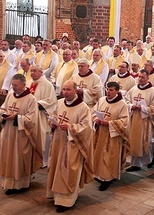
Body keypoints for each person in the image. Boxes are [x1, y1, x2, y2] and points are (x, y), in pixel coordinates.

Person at [47, 80, 94, 213]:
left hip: (72, 145)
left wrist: (70, 127)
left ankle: (66, 200)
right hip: (58, 142)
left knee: (68, 172)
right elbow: (54, 115)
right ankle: (55, 195)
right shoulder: (60, 102)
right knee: (55, 167)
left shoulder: (83, 107)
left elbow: (86, 128)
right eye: (64, 89)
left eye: (68, 90)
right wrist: (52, 123)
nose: (65, 92)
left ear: (75, 90)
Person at [0, 74, 42, 195]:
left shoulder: (31, 99)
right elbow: (2, 109)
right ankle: (9, 184)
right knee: (8, 158)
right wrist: (3, 115)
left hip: (21, 135)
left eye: (16, 85)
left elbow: (32, 120)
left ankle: (22, 184)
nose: (13, 87)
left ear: (23, 85)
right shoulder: (10, 95)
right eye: (12, 85)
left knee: (19, 159)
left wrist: (17, 118)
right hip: (8, 133)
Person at [92, 82, 129, 191]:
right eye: (107, 89)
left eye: (111, 90)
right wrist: (96, 120)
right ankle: (98, 175)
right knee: (98, 154)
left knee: (108, 157)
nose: (108, 92)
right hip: (100, 133)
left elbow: (124, 122)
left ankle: (107, 178)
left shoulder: (122, 104)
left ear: (117, 91)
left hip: (112, 136)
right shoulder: (102, 100)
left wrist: (109, 123)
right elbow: (93, 112)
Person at [125, 69, 154, 171]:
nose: (140, 79)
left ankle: (150, 159)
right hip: (133, 119)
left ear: (148, 78)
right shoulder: (133, 89)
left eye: (143, 77)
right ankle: (136, 164)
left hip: (146, 121)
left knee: (146, 142)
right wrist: (131, 106)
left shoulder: (153, 92)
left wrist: (143, 108)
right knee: (134, 142)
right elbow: (126, 101)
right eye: (139, 77)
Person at [27, 65, 58, 169]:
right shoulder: (29, 83)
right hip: (30, 116)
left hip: (42, 115)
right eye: (31, 71)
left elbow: (51, 101)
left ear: (41, 72)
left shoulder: (47, 85)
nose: (32, 73)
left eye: (35, 71)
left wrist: (38, 104)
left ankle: (44, 160)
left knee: (44, 138)